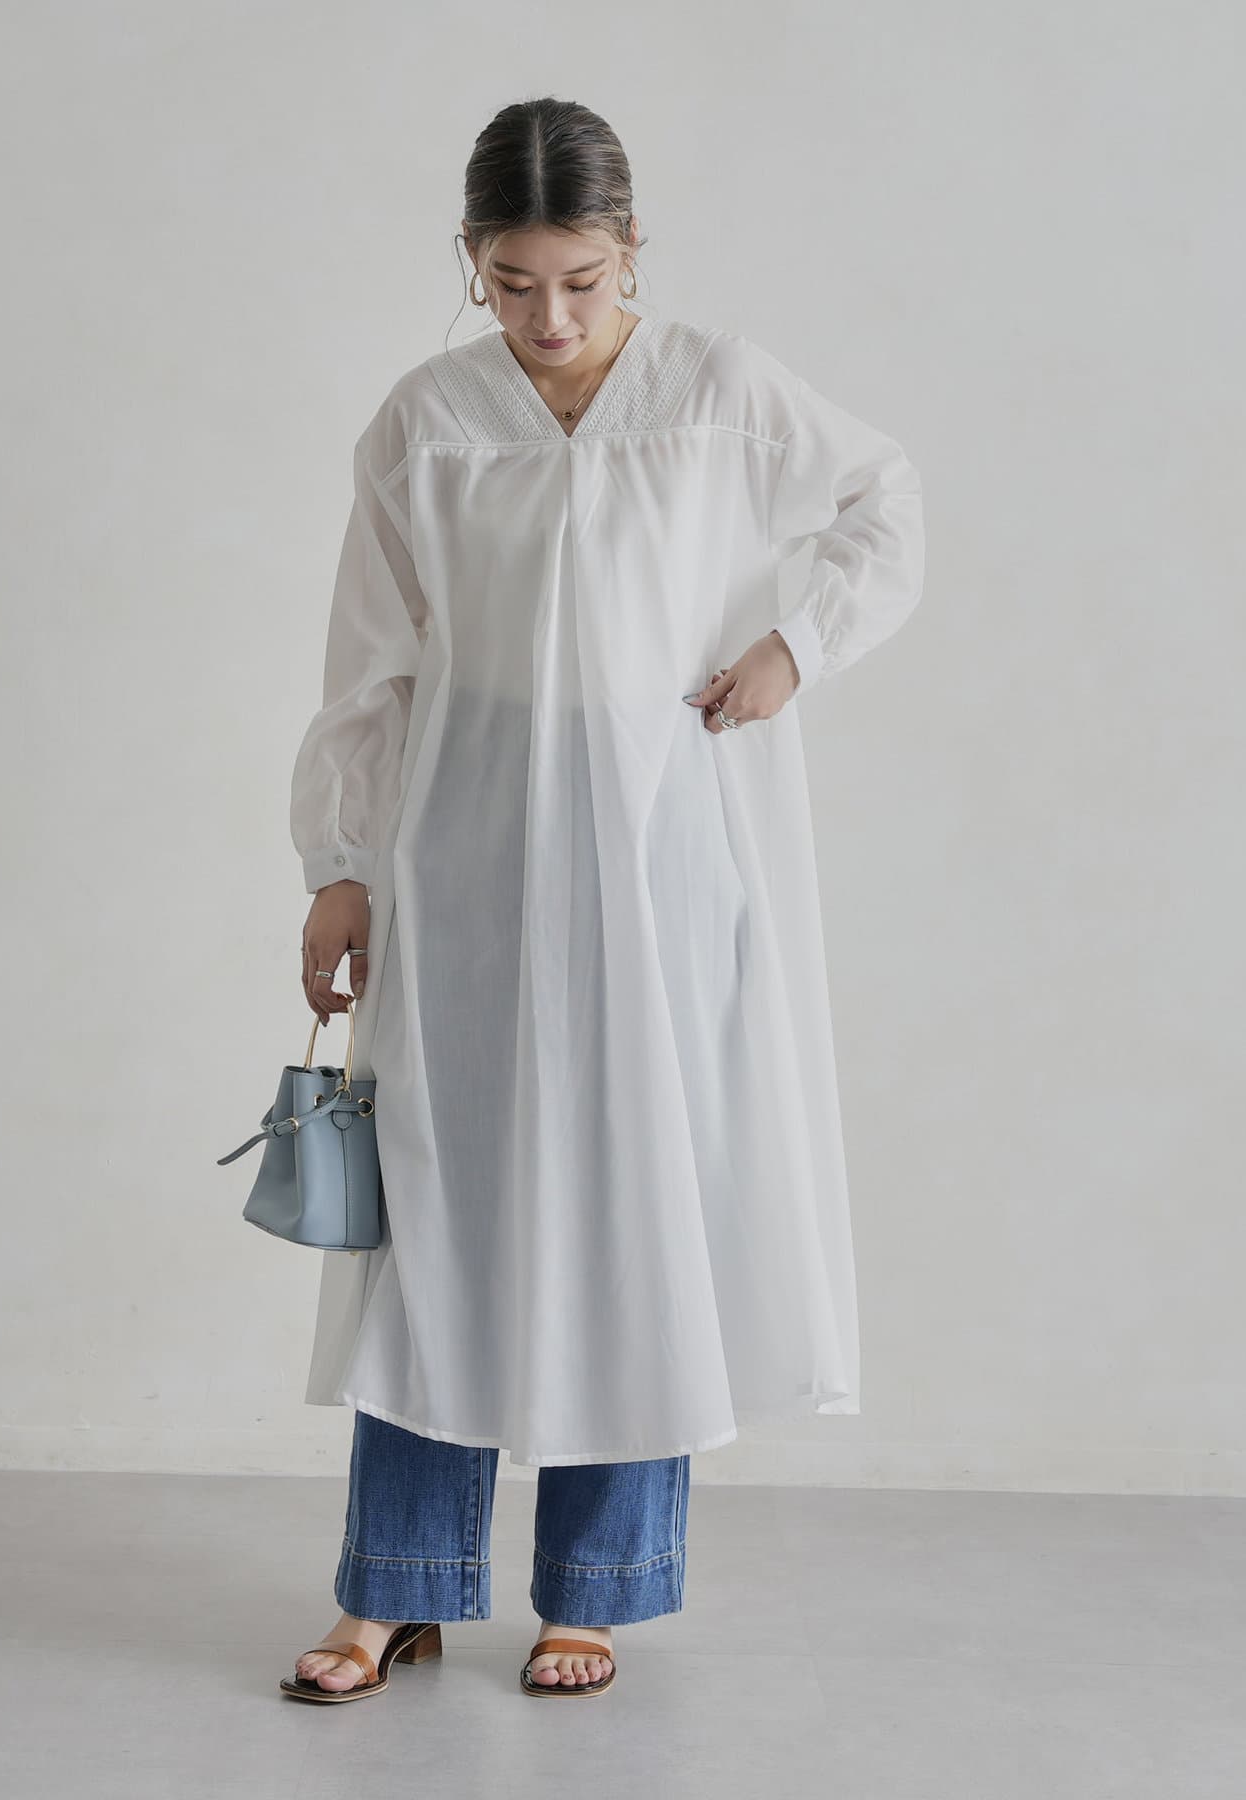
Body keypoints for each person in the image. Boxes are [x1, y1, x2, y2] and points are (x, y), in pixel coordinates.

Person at [279, 96, 926, 1703]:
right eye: (511, 283)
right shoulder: (426, 421)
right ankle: (395, 1588)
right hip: (466, 849)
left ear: (633, 248)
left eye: (581, 279)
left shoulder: (720, 393)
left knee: (644, 1197)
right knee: (435, 1207)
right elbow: (371, 660)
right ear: (470, 261)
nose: (551, 318)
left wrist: (796, 646)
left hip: (664, 850)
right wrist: (342, 864)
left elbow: (884, 499)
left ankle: (598, 1589)